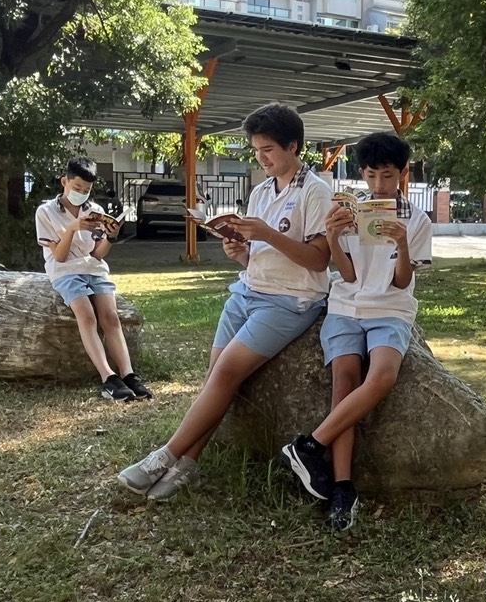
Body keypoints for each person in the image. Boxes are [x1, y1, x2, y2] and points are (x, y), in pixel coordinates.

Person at [117, 103, 332, 500]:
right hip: (248, 290)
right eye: (256, 150)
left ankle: (165, 456)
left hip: (290, 300)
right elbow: (261, 254)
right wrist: (242, 252)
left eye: (268, 149)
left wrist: (267, 235)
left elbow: (319, 261)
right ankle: (189, 464)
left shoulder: (316, 192)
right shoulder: (262, 191)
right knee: (216, 375)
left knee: (226, 373)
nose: (261, 158)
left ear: (293, 146)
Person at [280, 132, 432, 530]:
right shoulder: (350, 212)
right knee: (343, 382)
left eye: (388, 175)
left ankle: (309, 445)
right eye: (371, 175)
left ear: (402, 173)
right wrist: (332, 237)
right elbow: (347, 276)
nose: (379, 185)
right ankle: (343, 488)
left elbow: (401, 283)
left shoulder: (417, 219)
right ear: (362, 173)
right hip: (346, 307)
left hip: (391, 309)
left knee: (382, 376)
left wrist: (402, 245)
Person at [35, 157, 152, 403]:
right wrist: (72, 228)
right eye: (77, 187)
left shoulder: (95, 211)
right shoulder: (45, 212)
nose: (81, 193)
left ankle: (128, 374)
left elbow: (97, 254)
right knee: (86, 316)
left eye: (86, 190)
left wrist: (110, 237)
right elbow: (59, 256)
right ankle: (108, 377)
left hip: (94, 268)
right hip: (65, 271)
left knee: (111, 317)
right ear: (65, 182)